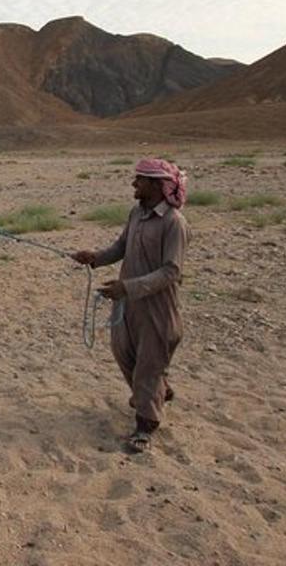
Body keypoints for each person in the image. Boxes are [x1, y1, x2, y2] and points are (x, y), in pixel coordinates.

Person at [73, 158, 189, 454]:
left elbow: (171, 271)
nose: (134, 184)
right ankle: (158, 390)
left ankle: (145, 426)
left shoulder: (174, 223)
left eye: (139, 180)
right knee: (123, 351)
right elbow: (121, 248)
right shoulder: (136, 214)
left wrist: (129, 287)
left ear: (156, 185)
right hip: (128, 304)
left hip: (157, 307)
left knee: (148, 365)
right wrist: (95, 257)